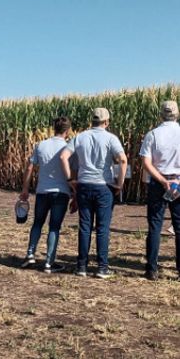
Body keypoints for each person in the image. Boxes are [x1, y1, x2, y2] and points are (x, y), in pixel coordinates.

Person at [60, 107, 127, 279]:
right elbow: (123, 160)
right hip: (103, 186)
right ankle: (102, 268)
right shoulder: (111, 138)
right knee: (103, 228)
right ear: (106, 122)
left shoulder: (80, 137)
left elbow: (63, 156)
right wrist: (119, 184)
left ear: (93, 121)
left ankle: (81, 266)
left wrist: (69, 180)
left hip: (83, 185)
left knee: (85, 226)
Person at [20, 117, 73, 273]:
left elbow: (30, 168)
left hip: (42, 191)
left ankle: (30, 254)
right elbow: (73, 171)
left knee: (37, 223)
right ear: (67, 130)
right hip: (61, 192)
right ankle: (49, 262)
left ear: (54, 128)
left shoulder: (41, 145)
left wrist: (25, 189)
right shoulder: (68, 147)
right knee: (54, 227)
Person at [139, 100, 180, 281]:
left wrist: (163, 181)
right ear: (177, 114)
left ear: (161, 114)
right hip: (178, 182)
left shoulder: (152, 134)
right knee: (179, 227)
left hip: (158, 183)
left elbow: (146, 163)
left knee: (155, 226)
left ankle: (152, 269)